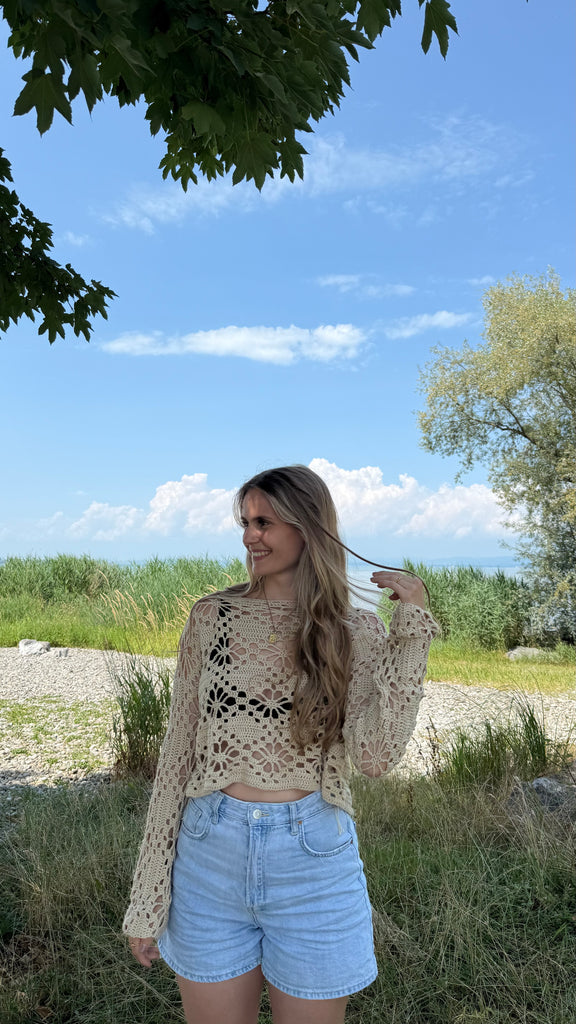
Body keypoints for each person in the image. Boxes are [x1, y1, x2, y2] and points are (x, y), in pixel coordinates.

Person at [124, 464, 438, 1024]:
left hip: (313, 863)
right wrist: (148, 893)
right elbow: (177, 755)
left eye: (264, 522)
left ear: (307, 526)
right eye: (245, 523)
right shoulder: (212, 618)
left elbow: (375, 757)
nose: (250, 536)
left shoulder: (355, 630)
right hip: (208, 854)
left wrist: (411, 633)